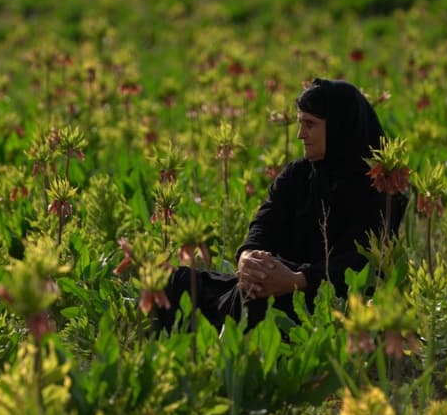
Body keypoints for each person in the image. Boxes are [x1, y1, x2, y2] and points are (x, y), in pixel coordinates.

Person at [155, 78, 407, 331]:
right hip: (272, 281)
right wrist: (247, 256)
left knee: (259, 296)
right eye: (300, 123)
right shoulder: (297, 173)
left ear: (339, 126)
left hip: (329, 299)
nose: (300, 134)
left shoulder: (379, 188)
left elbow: (357, 264)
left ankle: (225, 350)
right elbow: (265, 222)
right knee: (173, 280)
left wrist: (299, 280)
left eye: (310, 124)